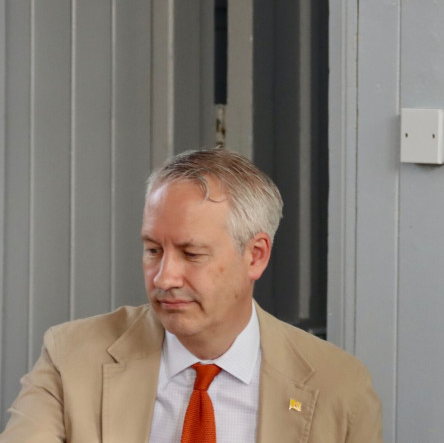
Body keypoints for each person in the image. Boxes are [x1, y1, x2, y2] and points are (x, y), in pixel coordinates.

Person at [1, 148, 382, 442]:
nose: (164, 277)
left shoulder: (338, 385)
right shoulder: (71, 356)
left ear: (256, 256)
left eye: (192, 254)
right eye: (153, 250)